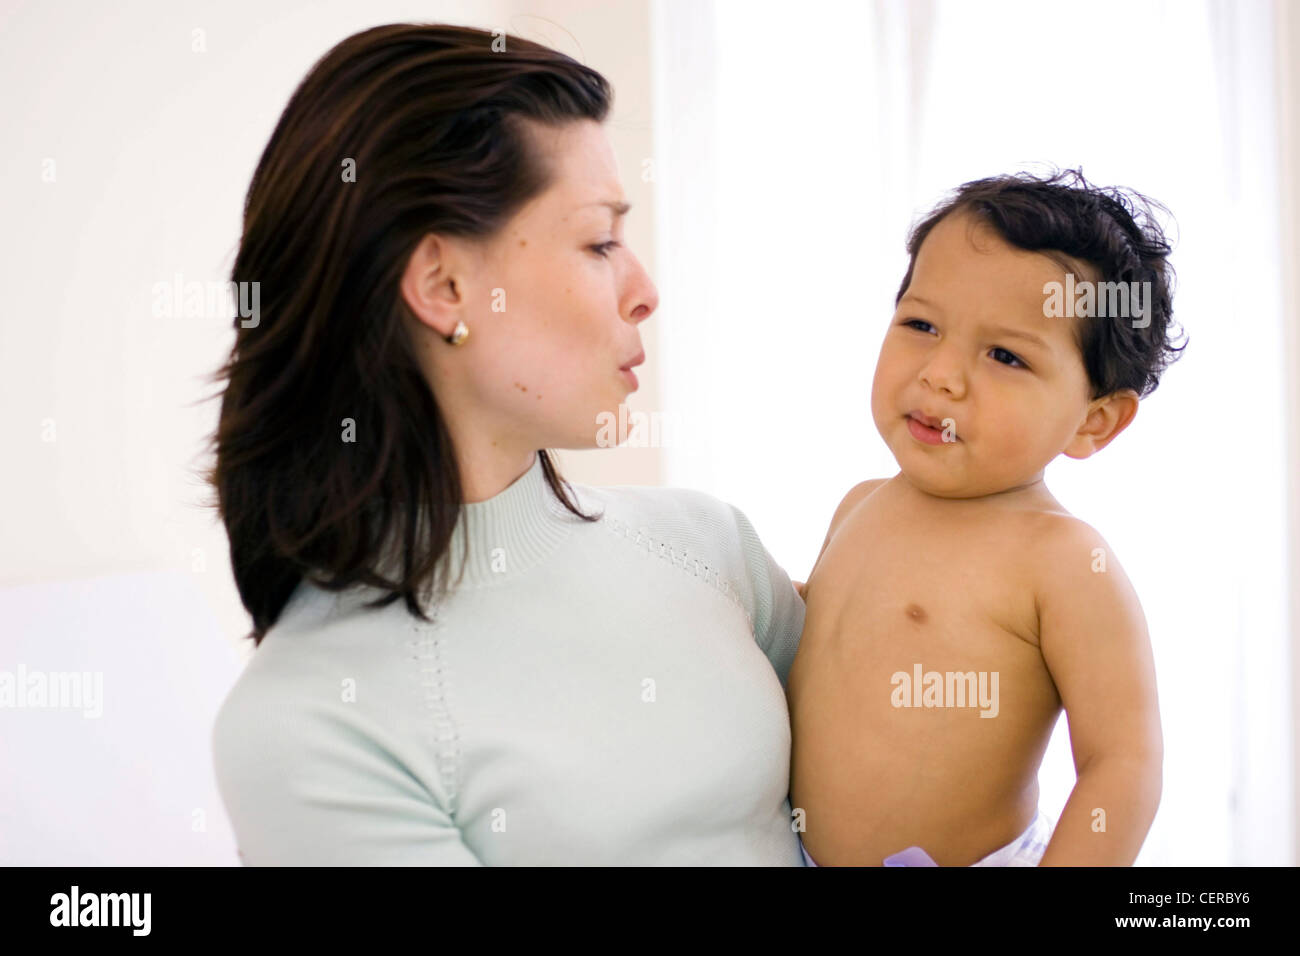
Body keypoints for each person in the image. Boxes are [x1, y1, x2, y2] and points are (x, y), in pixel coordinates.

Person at [208, 23, 805, 865]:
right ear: (447, 288)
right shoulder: (310, 727)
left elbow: (921, 799)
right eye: (600, 241)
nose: (645, 291)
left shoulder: (713, 548)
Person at [789, 170, 1184, 866]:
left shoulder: (1061, 560)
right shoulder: (859, 504)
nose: (941, 373)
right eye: (921, 323)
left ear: (1093, 420)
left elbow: (1124, 762)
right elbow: (825, 648)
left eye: (1004, 355)